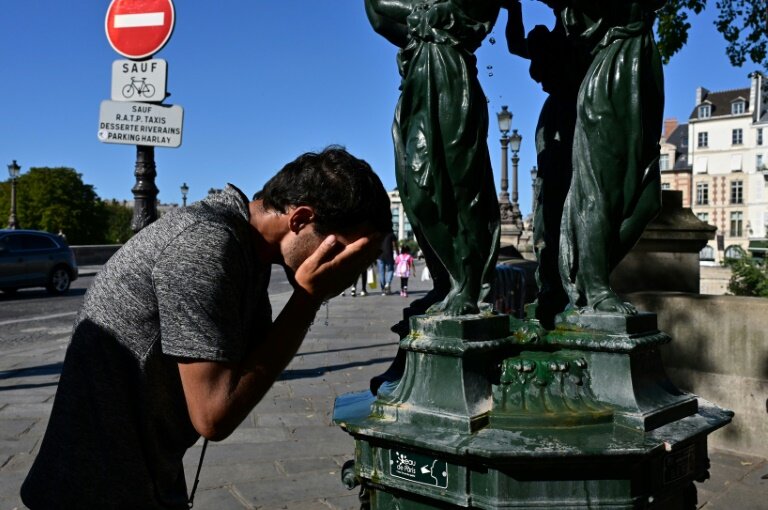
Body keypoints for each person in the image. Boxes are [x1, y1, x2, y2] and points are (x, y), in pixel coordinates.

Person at [20, 147, 391, 509]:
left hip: (138, 478)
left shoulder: (247, 248)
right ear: (299, 220)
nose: (350, 269)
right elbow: (214, 415)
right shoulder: (206, 243)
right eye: (344, 251)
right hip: (95, 489)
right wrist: (308, 299)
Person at [365, 0, 501, 316]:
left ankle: (466, 283)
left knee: (457, 187)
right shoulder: (417, 18)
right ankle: (445, 281)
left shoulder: (459, 13)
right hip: (416, 92)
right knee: (415, 191)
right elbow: (380, 19)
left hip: (453, 87)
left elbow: (481, 14)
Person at [557, 0, 664, 314]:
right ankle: (597, 286)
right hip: (613, 77)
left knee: (648, 201)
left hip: (643, 77)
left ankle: (586, 271)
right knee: (600, 193)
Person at [377, 230, 397, 295]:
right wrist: (398, 253)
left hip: (379, 255)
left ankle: (383, 290)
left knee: (381, 273)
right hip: (389, 255)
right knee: (390, 270)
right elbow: (394, 244)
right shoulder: (391, 233)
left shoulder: (379, 233)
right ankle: (388, 283)